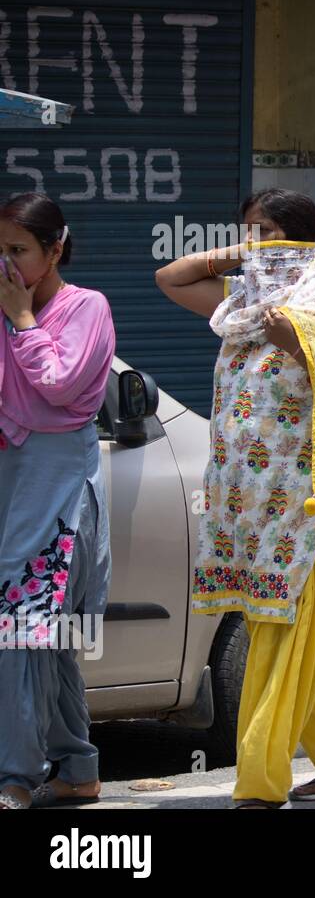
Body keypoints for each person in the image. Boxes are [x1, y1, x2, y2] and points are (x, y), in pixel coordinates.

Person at [156, 189, 315, 807]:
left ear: (301, 240)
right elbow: (171, 276)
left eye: (268, 233)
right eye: (249, 232)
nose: (257, 246)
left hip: (314, 501)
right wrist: (242, 253)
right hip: (258, 501)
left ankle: (260, 783)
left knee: (284, 628)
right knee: (314, 639)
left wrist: (298, 343)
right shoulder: (245, 301)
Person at [0, 193, 115, 810]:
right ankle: (77, 768)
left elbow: (60, 383)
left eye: (18, 250)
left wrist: (22, 320)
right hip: (13, 486)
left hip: (59, 498)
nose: (7, 263)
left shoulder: (87, 308)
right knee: (50, 638)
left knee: (21, 632)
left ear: (55, 249)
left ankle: (15, 776)